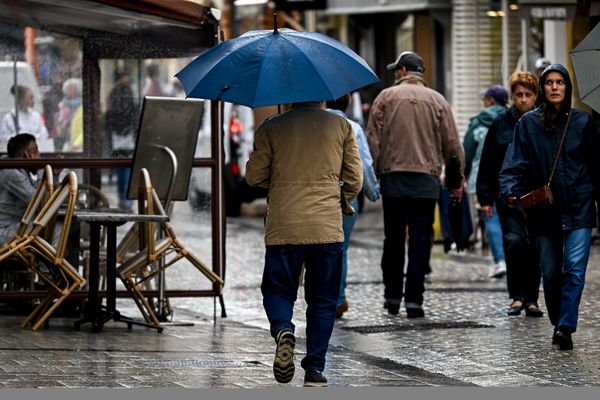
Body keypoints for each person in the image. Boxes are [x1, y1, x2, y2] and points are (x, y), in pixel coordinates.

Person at [245, 101, 362, 387]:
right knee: (323, 300)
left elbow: (254, 177)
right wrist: (342, 202)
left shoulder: (271, 128)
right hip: (326, 228)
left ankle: (284, 329)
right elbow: (355, 179)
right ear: (322, 98)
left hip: (284, 225)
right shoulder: (341, 126)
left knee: (278, 289)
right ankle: (315, 370)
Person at [499, 64, 599, 350]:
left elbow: (596, 167)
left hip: (579, 206)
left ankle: (566, 326)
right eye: (549, 83)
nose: (555, 87)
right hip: (544, 210)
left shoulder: (583, 123)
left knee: (575, 270)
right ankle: (559, 320)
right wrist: (509, 190)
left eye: (560, 83)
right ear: (542, 89)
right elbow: (514, 162)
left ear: (567, 88)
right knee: (552, 272)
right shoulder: (528, 124)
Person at [366, 51, 464, 318]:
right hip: (426, 179)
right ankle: (414, 300)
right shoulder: (438, 101)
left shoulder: (384, 98)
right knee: (421, 240)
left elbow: (372, 139)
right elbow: (453, 146)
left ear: (402, 71)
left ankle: (392, 296)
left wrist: (373, 174)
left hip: (393, 178)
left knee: (394, 238)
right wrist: (456, 179)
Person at [477, 71, 543, 317]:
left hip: (536, 196)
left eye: (528, 95)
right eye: (518, 95)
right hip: (509, 196)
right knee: (514, 243)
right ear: (512, 96)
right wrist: (485, 197)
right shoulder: (501, 123)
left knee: (535, 246)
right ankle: (517, 296)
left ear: (535, 96)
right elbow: (488, 161)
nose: (523, 99)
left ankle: (532, 298)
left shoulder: (542, 121)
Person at [324, 94, 380, 319]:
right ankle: (337, 300)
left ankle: (320, 298)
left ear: (324, 101)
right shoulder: (353, 127)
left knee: (317, 249)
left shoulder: (314, 124)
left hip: (318, 195)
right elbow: (363, 163)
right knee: (341, 249)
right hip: (346, 195)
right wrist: (372, 190)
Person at [463, 84, 509, 278]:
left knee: (489, 216)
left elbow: (468, 149)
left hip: (481, 176)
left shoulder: (478, 122)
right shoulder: (512, 119)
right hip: (509, 176)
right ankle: (511, 257)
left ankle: (500, 261)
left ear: (490, 100)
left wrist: (464, 173)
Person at [104, 67, 137, 210]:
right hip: (129, 141)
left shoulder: (112, 107)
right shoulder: (131, 105)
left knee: (121, 171)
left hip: (117, 142)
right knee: (128, 170)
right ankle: (127, 199)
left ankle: (122, 198)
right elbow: (135, 123)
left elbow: (107, 127)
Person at [0, 133, 41, 244]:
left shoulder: (21, 171)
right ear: (25, 156)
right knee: (51, 227)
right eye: (35, 152)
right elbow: (38, 201)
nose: (39, 156)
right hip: (4, 231)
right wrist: (42, 171)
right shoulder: (12, 173)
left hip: (13, 226)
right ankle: (49, 261)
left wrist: (54, 177)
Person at [1, 85, 53, 152]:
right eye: (30, 98)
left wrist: (32, 139)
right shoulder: (9, 118)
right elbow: (3, 138)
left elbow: (44, 134)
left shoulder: (36, 116)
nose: (33, 100)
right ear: (21, 99)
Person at [54, 77, 83, 152]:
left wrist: (76, 145)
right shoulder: (63, 105)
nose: (68, 91)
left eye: (71, 89)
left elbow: (86, 130)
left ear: (77, 90)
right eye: (67, 89)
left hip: (80, 147)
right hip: (67, 142)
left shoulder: (82, 106)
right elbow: (61, 126)